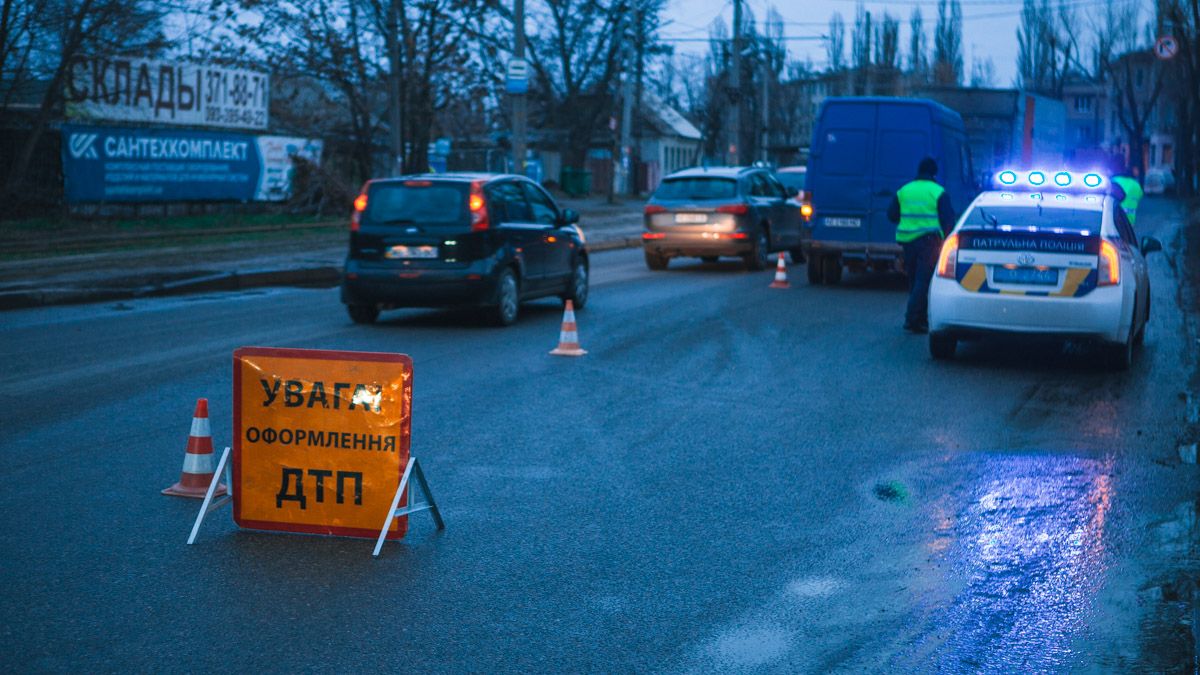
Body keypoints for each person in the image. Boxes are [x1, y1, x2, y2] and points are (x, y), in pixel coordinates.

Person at [887, 157, 957, 334]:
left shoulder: (904, 190)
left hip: (907, 243)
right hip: (929, 243)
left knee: (913, 280)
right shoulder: (938, 192)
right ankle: (912, 318)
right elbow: (948, 221)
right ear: (934, 173)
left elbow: (892, 215)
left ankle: (919, 318)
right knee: (923, 280)